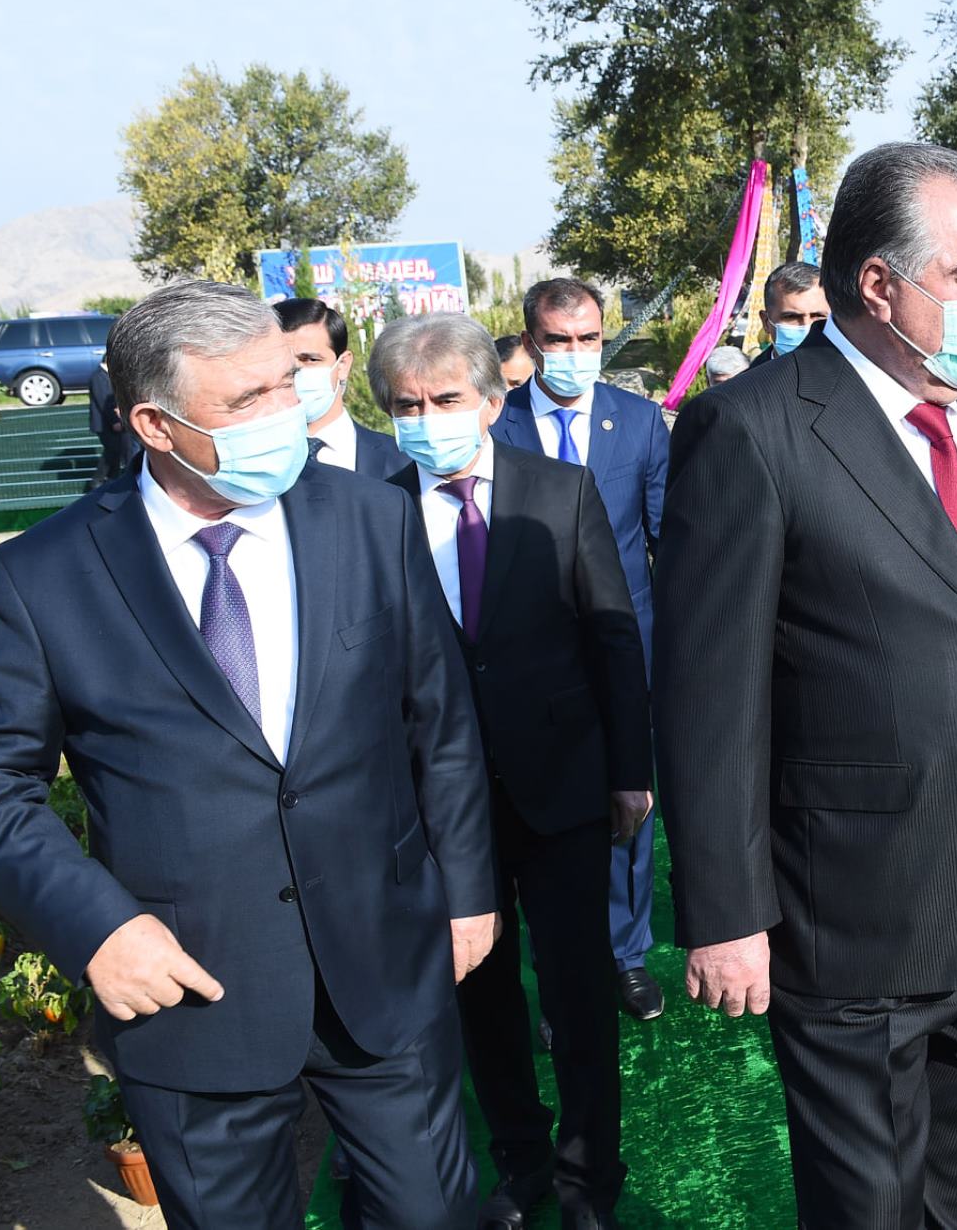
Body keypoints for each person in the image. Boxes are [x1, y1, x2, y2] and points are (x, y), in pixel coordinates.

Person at [0, 280, 498, 1229]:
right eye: (246, 400)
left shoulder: (368, 518)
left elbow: (438, 719)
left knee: (431, 1213)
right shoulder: (46, 574)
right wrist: (99, 930)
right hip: (190, 996)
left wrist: (468, 889)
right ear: (154, 424)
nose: (285, 414)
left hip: (384, 959)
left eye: (286, 382)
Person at [652, 142, 957, 1229]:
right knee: (867, 1205)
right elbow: (707, 694)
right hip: (856, 911)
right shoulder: (751, 428)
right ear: (878, 283)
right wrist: (726, 913)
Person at [372, 315, 651, 1230]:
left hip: (563, 786)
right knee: (481, 997)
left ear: (492, 401)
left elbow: (612, 635)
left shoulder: (560, 491)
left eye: (446, 399)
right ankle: (521, 1162)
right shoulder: (371, 509)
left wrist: (630, 769)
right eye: (407, 405)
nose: (427, 420)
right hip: (439, 807)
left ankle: (589, 1179)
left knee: (577, 992)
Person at [489, 277, 669, 1021]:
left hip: (626, 646)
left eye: (588, 338)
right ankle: (556, 964)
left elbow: (664, 540)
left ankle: (625, 955)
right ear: (531, 342)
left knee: (630, 799)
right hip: (532, 657)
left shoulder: (640, 422)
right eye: (558, 340)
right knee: (538, 811)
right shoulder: (497, 424)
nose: (574, 352)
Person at [271, 297, 412, 478]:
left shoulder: (403, 461)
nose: (294, 372)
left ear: (343, 364)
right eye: (281, 362)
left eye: (310, 360)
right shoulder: (253, 465)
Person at [750, 261, 829, 364]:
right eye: (791, 317)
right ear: (766, 322)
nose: (807, 327)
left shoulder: (848, 369)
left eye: (818, 316)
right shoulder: (753, 374)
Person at [86, 359, 128, 487]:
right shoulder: (99, 377)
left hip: (108, 422)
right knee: (112, 450)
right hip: (104, 424)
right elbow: (104, 401)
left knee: (116, 451)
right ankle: (98, 479)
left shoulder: (105, 376)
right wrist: (114, 420)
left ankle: (112, 479)